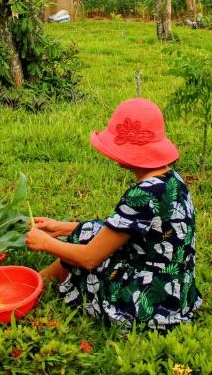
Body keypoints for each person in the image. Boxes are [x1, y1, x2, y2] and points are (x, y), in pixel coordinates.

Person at [25, 98, 202, 331]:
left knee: (84, 247)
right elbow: (125, 227)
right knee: (88, 231)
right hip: (178, 293)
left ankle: (34, 286)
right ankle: (39, 281)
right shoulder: (172, 180)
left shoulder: (140, 195)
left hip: (147, 304)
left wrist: (46, 243)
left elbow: (89, 257)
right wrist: (64, 227)